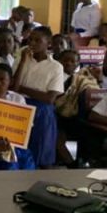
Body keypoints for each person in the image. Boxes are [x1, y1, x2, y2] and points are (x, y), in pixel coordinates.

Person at [13, 27, 64, 167]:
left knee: (40, 140)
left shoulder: (56, 67)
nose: (32, 43)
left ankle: (40, 164)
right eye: (30, 39)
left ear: (48, 43)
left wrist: (22, 88)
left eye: (37, 40)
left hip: (41, 108)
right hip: (20, 103)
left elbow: (49, 98)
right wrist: (22, 61)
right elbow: (13, 87)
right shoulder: (22, 59)